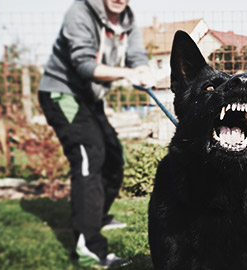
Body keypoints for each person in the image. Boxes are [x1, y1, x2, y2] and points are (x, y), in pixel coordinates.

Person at [37, 0, 155, 267]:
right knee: (90, 155)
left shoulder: (127, 21)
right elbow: (84, 65)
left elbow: (137, 57)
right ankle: (89, 247)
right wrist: (127, 74)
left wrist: (144, 71)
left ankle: (96, 215)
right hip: (62, 93)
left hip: (90, 99)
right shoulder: (79, 13)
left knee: (114, 156)